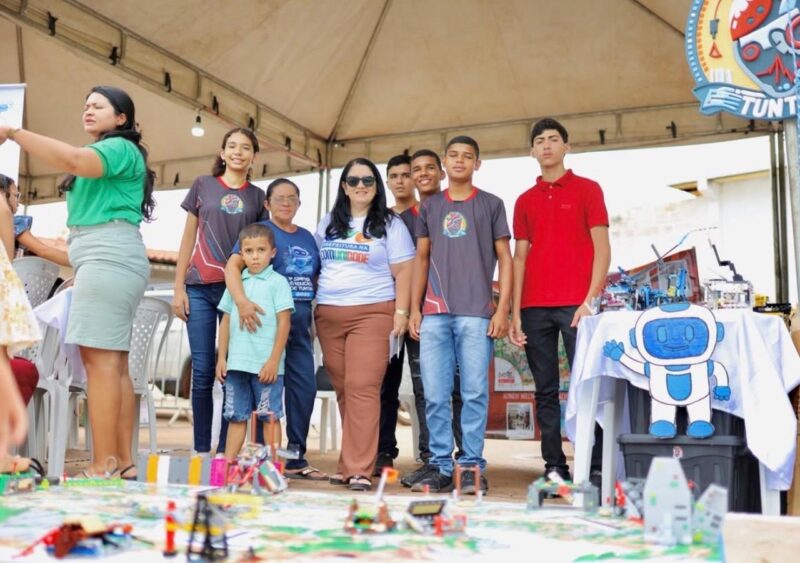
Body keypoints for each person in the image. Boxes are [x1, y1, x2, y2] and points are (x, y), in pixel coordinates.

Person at [0, 85, 156, 478]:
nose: (88, 110)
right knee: (113, 365)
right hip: (108, 258)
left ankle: (102, 464)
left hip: (107, 258)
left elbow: (72, 158)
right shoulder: (115, 153)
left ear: (121, 117)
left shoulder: (117, 148)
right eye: (86, 104)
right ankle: (121, 462)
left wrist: (14, 132)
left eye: (99, 106)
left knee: (101, 364)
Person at [509, 117, 610, 485]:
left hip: (577, 306)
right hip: (534, 307)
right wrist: (515, 313)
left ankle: (595, 466)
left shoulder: (588, 189)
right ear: (532, 151)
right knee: (545, 391)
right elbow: (519, 259)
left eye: (554, 139)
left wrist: (590, 300)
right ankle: (554, 465)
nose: (547, 145)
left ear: (567, 146)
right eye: (540, 140)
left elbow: (603, 249)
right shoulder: (524, 200)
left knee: (588, 387)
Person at [409, 136, 512, 495]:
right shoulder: (430, 206)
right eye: (453, 155)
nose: (459, 161)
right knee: (435, 394)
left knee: (474, 393)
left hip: (477, 313)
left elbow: (506, 259)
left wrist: (502, 308)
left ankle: (471, 466)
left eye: (467, 156)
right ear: (444, 162)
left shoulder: (492, 204)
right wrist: (414, 308)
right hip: (435, 313)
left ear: (477, 164)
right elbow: (421, 259)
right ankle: (440, 466)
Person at [314, 157, 415, 492]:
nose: (361, 186)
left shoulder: (390, 224)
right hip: (329, 315)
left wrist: (401, 313)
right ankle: (350, 463)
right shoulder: (328, 222)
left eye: (368, 180)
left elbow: (405, 271)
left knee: (363, 387)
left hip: (372, 313)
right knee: (345, 390)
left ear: (376, 186)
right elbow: (314, 264)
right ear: (344, 186)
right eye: (354, 180)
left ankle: (359, 468)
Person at [173, 128, 267, 456]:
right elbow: (188, 238)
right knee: (202, 371)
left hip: (237, 293)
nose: (238, 152)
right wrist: (178, 288)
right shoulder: (203, 185)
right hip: (199, 288)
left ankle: (226, 451)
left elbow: (258, 248)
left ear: (253, 156)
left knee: (231, 372)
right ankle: (201, 450)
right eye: (232, 146)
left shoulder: (258, 197)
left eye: (246, 147)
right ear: (222, 152)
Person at [224, 178, 326, 480]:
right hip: (265, 328)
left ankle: (294, 457)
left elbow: (315, 277)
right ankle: (256, 464)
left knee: (304, 389)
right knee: (263, 398)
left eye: (292, 198)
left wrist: (314, 318)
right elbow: (233, 267)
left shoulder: (307, 237)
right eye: (279, 198)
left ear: (299, 203)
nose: (286, 203)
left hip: (300, 324)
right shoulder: (261, 233)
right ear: (267, 203)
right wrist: (241, 302)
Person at [398, 149, 464, 488]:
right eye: (416, 170)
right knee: (425, 389)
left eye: (429, 168)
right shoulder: (403, 220)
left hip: (458, 311)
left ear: (441, 172)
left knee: (460, 390)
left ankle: (465, 461)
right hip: (420, 313)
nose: (423, 174)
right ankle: (432, 461)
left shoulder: (458, 208)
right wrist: (410, 310)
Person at [216, 223, 293, 461]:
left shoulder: (278, 283)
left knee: (269, 416)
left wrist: (273, 361)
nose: (255, 256)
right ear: (241, 254)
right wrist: (222, 358)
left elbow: (284, 323)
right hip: (237, 365)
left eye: (261, 250)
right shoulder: (236, 285)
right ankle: (228, 467)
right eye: (249, 251)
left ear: (273, 252)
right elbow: (225, 322)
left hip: (266, 366)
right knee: (235, 416)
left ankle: (273, 468)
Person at [375, 153, 418, 474]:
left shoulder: (427, 212)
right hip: (386, 310)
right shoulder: (380, 219)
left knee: (426, 388)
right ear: (387, 181)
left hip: (423, 311)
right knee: (384, 384)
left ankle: (431, 456)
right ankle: (383, 450)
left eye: (406, 174)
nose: (401, 180)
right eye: (394, 175)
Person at [0, 174, 70, 266]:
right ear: (3, 194)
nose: (18, 202)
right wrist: (79, 262)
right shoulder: (15, 225)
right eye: (16, 196)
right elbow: (44, 251)